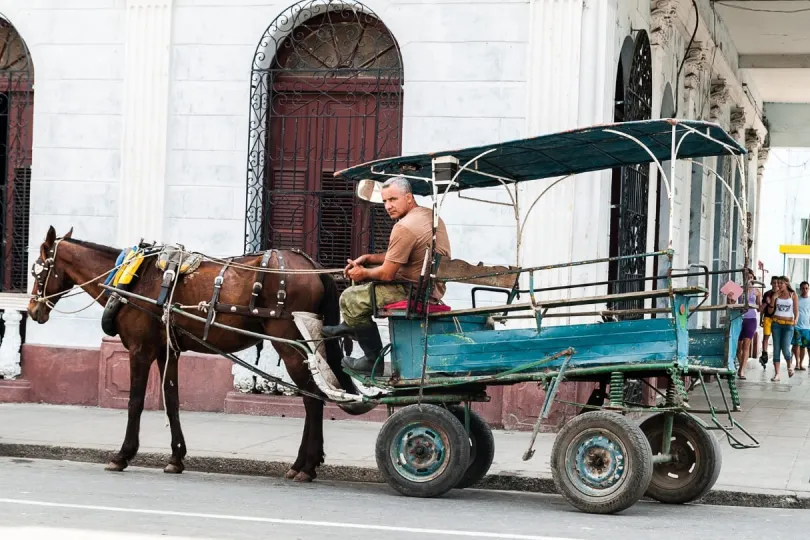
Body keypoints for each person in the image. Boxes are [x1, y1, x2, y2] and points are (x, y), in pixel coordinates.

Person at [321, 176, 451, 376]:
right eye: (384, 201)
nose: (388, 206)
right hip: (431, 287)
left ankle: (372, 361)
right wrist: (370, 257)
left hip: (412, 291)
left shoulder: (404, 227)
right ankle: (352, 326)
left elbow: (387, 274)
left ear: (408, 197)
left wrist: (362, 272)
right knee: (357, 291)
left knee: (351, 298)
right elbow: (402, 256)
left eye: (393, 199)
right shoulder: (429, 216)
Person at [732, 269, 761, 380]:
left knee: (746, 345)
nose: (748, 278)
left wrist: (760, 304)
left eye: (750, 276)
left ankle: (742, 370)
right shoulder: (737, 289)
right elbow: (732, 303)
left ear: (753, 278)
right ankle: (741, 365)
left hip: (751, 319)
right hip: (739, 319)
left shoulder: (757, 291)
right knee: (738, 347)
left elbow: (759, 308)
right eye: (746, 276)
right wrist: (730, 297)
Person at [770, 275, 798, 381]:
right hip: (776, 323)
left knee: (786, 348)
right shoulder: (776, 295)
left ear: (786, 284)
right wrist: (773, 298)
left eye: (781, 283)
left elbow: (796, 310)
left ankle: (789, 366)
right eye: (777, 283)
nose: (778, 285)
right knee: (776, 348)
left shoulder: (793, 295)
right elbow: (770, 311)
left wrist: (796, 319)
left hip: (788, 324)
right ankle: (777, 374)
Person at [760, 275, 778, 368]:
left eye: (777, 283)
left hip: (777, 319)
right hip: (767, 317)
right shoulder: (767, 294)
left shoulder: (781, 294)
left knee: (776, 338)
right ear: (771, 283)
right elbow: (761, 309)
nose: (775, 284)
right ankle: (764, 353)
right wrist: (761, 319)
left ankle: (776, 354)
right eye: (773, 282)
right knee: (766, 336)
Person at [792, 281, 810, 370]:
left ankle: (801, 363)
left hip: (807, 327)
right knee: (797, 345)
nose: (805, 290)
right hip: (797, 326)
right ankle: (797, 364)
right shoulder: (797, 299)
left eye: (806, 288)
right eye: (803, 288)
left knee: (803, 346)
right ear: (800, 289)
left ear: (808, 289)